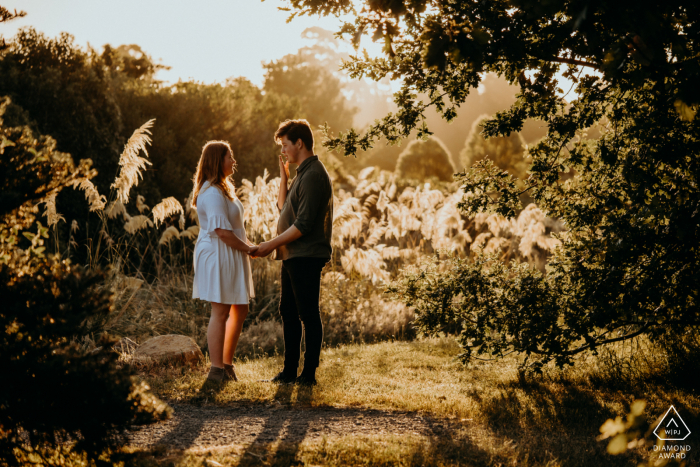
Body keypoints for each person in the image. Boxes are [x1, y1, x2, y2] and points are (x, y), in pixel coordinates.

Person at [250, 119, 333, 386]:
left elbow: (304, 224)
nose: (283, 151)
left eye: (285, 145)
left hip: (306, 255)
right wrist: (284, 176)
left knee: (307, 313)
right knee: (287, 310)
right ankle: (289, 371)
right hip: (292, 255)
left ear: (299, 143)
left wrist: (270, 245)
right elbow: (283, 207)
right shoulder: (301, 175)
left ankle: (308, 375)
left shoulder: (313, 175)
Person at [191, 141, 256, 382]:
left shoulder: (223, 188)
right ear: (218, 160)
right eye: (230, 157)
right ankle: (216, 370)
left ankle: (227, 365)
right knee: (220, 310)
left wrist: (248, 245)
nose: (234, 161)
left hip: (231, 250)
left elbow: (235, 227)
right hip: (218, 252)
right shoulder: (211, 193)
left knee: (240, 307)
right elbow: (221, 231)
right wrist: (248, 248)